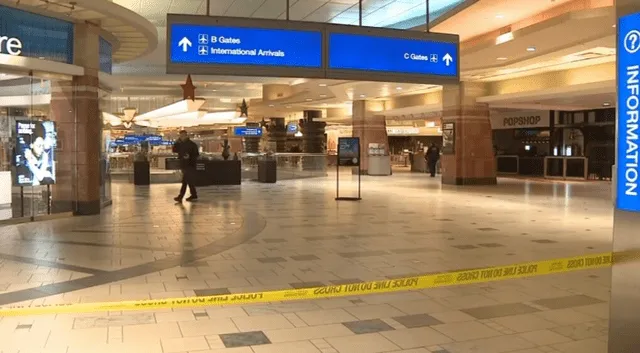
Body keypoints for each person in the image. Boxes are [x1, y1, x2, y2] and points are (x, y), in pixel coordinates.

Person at [173, 130, 199, 202]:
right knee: (189, 181)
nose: (181, 137)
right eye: (180, 136)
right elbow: (174, 150)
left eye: (182, 136)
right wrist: (177, 142)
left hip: (190, 165)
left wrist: (189, 157)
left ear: (186, 135)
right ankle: (194, 195)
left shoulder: (192, 144)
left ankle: (180, 196)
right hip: (183, 165)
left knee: (185, 181)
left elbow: (196, 154)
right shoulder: (180, 144)